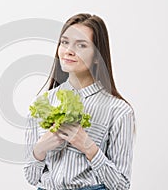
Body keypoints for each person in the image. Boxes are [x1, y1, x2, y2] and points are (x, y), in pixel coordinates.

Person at [23, 13, 136, 190]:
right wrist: (40, 149)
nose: (68, 50)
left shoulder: (119, 110)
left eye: (81, 45)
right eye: (64, 42)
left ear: (98, 56)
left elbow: (121, 185)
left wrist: (89, 147)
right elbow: (31, 177)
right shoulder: (42, 102)